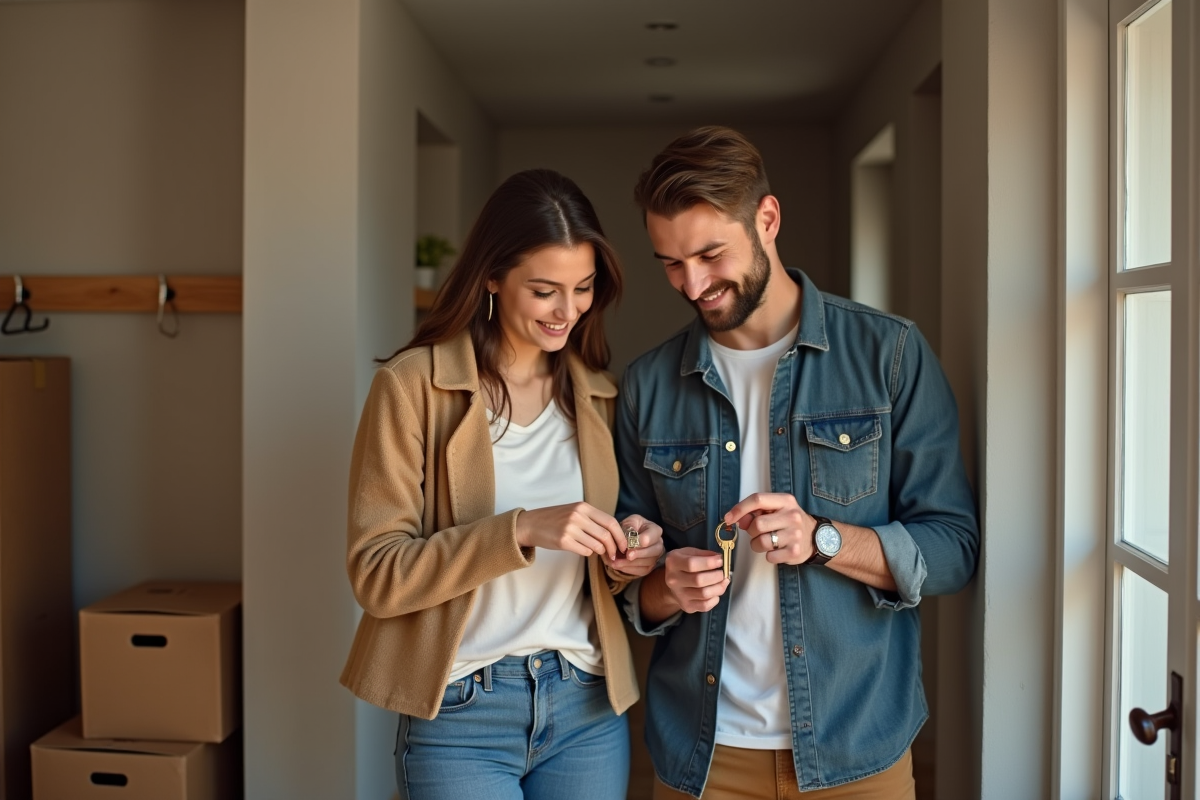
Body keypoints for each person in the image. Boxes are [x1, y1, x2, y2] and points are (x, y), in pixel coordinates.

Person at [615, 127, 979, 799]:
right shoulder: (646, 386)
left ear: (768, 219)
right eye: (670, 262)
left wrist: (824, 540)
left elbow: (953, 548)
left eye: (709, 254)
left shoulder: (889, 355)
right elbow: (628, 581)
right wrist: (664, 584)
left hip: (858, 752)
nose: (692, 284)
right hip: (703, 759)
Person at [341, 168, 665, 800]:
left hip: (587, 704)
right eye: (545, 290)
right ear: (491, 277)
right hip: (461, 710)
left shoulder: (599, 395)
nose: (567, 311)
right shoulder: (413, 388)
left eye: (584, 287)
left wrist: (631, 550)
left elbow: (602, 571)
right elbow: (377, 573)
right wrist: (520, 528)